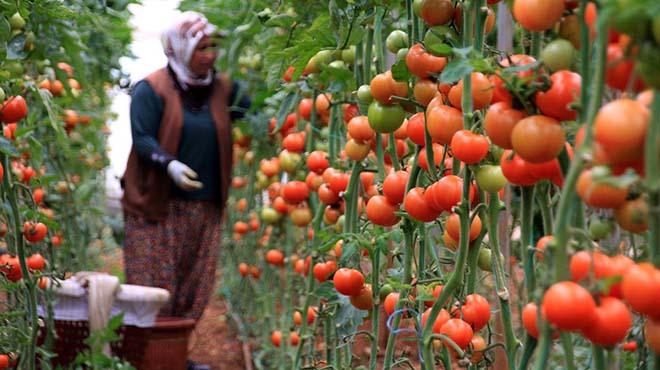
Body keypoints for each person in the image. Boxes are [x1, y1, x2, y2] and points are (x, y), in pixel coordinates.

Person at [120, 11, 250, 370]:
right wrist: (169, 164)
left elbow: (255, 111)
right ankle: (145, 359)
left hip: (204, 205)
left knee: (195, 283)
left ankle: (174, 358)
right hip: (157, 206)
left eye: (214, 47)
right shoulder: (151, 88)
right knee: (156, 284)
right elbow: (143, 138)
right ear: (179, 48)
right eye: (202, 47)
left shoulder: (223, 89)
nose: (210, 55)